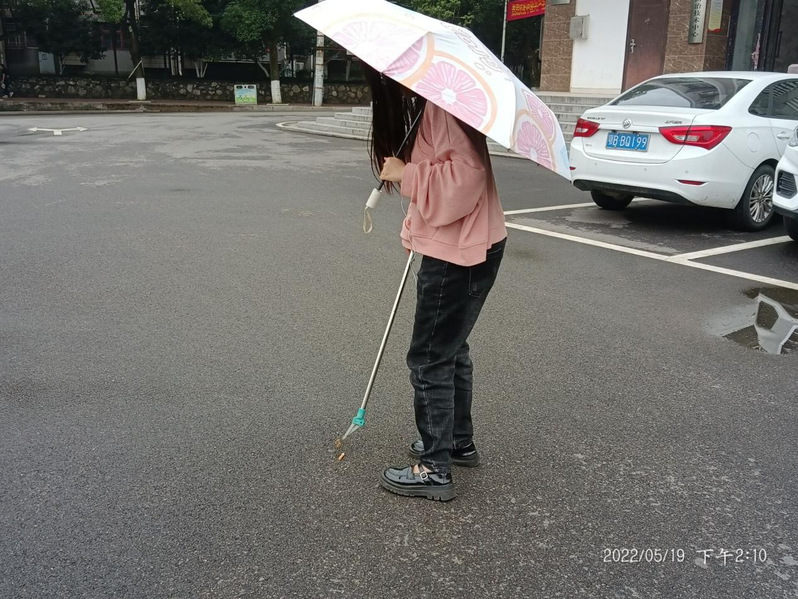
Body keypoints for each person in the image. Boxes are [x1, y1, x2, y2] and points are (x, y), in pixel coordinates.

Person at [364, 65, 508, 502]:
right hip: (471, 245)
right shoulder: (434, 106)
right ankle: (457, 442)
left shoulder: (442, 111)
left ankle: (433, 469)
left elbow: (466, 179)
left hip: (457, 255)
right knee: (450, 348)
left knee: (429, 358)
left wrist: (405, 174)